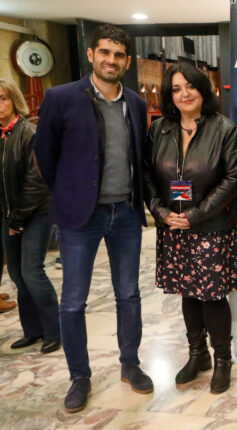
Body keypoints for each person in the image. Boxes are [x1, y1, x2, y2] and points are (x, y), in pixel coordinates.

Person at [34, 24, 152, 413]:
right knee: (73, 302)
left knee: (129, 295)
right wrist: (71, 192)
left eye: (119, 55)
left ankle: (129, 364)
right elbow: (45, 157)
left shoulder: (135, 103)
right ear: (91, 55)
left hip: (127, 215)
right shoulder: (60, 97)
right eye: (104, 52)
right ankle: (79, 376)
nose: (111, 60)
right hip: (79, 218)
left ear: (127, 61)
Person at [143, 63, 237, 394]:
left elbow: (233, 178)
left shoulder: (224, 129)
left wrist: (197, 214)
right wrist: (160, 212)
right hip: (173, 227)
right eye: (175, 88)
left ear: (203, 90)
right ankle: (197, 355)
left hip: (211, 226)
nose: (184, 94)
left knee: (212, 295)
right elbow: (146, 176)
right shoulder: (160, 129)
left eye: (190, 86)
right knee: (187, 292)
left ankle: (223, 362)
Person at [0, 78, 60, 354]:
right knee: (16, 274)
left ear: (14, 101)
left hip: (35, 212)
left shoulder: (29, 133)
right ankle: (32, 330)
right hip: (8, 214)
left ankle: (53, 330)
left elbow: (35, 182)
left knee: (32, 271)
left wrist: (18, 220)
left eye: (2, 98)